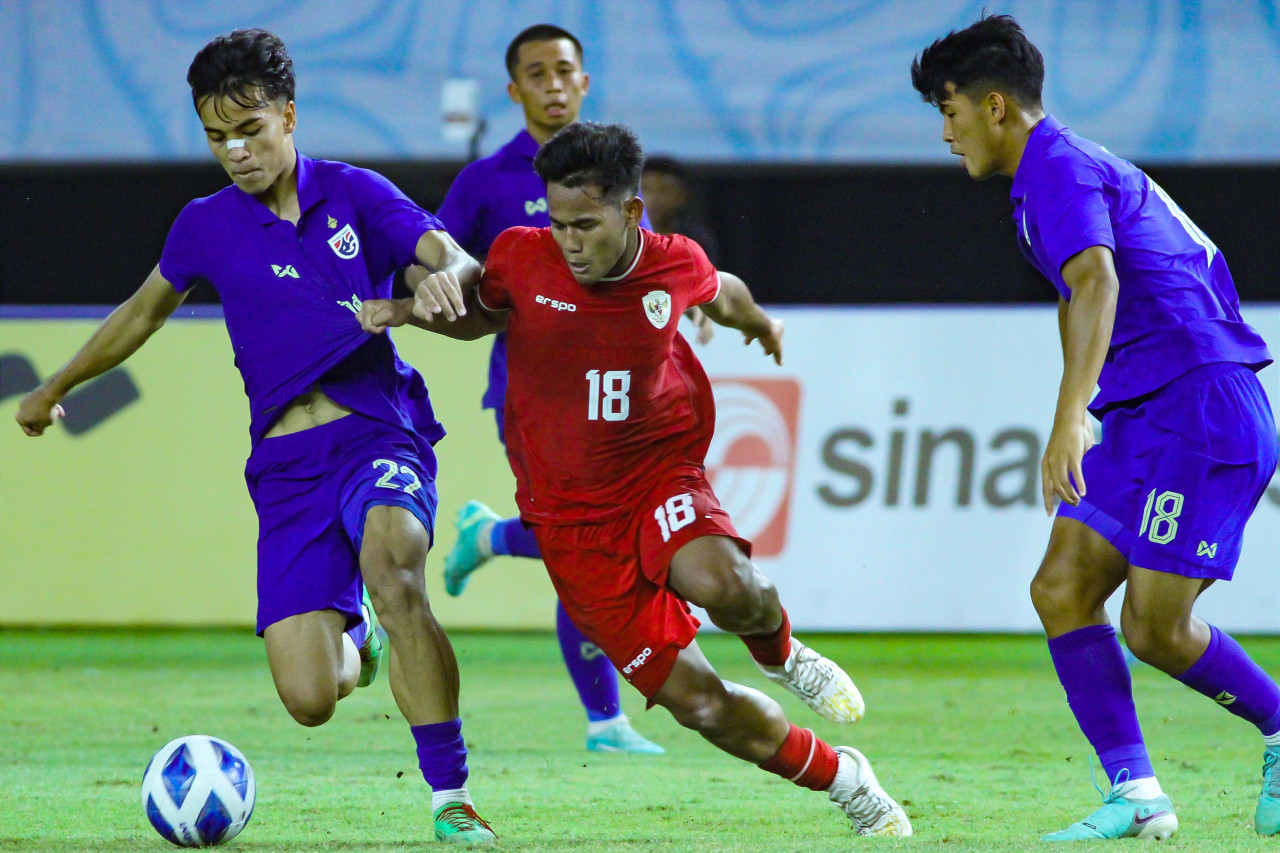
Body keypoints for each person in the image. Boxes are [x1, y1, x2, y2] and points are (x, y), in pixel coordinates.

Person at [359, 121, 912, 837]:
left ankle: (784, 655)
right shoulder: (522, 257)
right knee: (702, 705)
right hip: (571, 525)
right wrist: (411, 311)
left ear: (630, 211)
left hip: (658, 472)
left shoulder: (672, 263)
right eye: (558, 223)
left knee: (727, 586)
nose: (570, 241)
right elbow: (478, 316)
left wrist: (761, 323)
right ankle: (845, 776)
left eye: (586, 224)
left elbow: (724, 292)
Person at [14, 29, 497, 845]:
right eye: (216, 137)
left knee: (393, 563)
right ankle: (365, 639)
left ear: (289, 115)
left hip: (377, 430)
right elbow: (141, 313)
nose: (235, 151)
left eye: (250, 130)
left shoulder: (356, 194)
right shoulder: (204, 225)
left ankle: (450, 795)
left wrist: (445, 274)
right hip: (285, 467)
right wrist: (55, 385)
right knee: (311, 696)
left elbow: (451, 257)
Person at [912, 15, 1279, 842]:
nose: (945, 132)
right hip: (1152, 410)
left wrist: (1070, 414)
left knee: (1154, 628)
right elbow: (1079, 295)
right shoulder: (1055, 173)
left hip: (1200, 408)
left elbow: (1099, 284)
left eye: (950, 110)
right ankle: (1138, 794)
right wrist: (1090, 399)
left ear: (996, 106)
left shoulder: (1060, 167)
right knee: (1061, 587)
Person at [427, 23, 666, 754]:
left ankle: (492, 535)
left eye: (565, 71)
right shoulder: (488, 182)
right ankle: (606, 722)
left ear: (584, 82)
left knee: (609, 537)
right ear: (515, 90)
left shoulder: (613, 175)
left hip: (618, 392)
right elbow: (433, 259)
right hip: (533, 398)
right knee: (586, 542)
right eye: (537, 74)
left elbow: (646, 266)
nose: (553, 84)